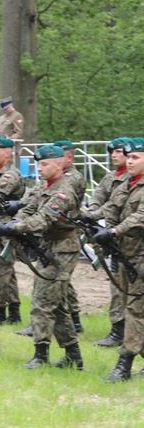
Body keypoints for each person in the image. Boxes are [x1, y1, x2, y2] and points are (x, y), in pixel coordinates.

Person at [0, 145, 83, 370]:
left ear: (59, 164)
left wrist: (14, 228)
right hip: (49, 245)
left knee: (42, 302)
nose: (39, 168)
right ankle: (73, 356)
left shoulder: (64, 191)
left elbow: (44, 218)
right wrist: (9, 223)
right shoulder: (44, 186)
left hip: (63, 247)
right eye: (38, 164)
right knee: (56, 304)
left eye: (45, 164)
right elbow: (29, 209)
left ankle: (41, 356)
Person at [96, 137, 144, 381]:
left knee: (135, 311)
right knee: (132, 309)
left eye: (135, 157)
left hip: (141, 258)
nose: (130, 161)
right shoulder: (127, 183)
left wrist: (113, 231)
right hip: (127, 256)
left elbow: (139, 217)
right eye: (129, 157)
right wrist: (89, 218)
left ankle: (123, 366)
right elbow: (112, 207)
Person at [85, 138, 130, 347]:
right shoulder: (110, 177)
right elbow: (99, 198)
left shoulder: (133, 179)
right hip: (112, 238)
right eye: (112, 152)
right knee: (116, 285)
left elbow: (117, 207)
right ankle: (117, 330)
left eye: (119, 152)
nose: (114, 155)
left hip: (129, 238)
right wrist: (92, 214)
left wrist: (98, 218)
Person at [0, 137, 26, 325]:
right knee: (7, 272)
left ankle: (0, 312)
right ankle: (14, 312)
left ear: (8, 154)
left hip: (6, 226)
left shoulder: (9, 175)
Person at [54, 140, 85, 333]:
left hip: (65, 235)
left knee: (60, 282)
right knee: (62, 281)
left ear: (69, 157)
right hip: (55, 234)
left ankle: (72, 322)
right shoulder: (58, 177)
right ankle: (75, 321)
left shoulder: (72, 178)